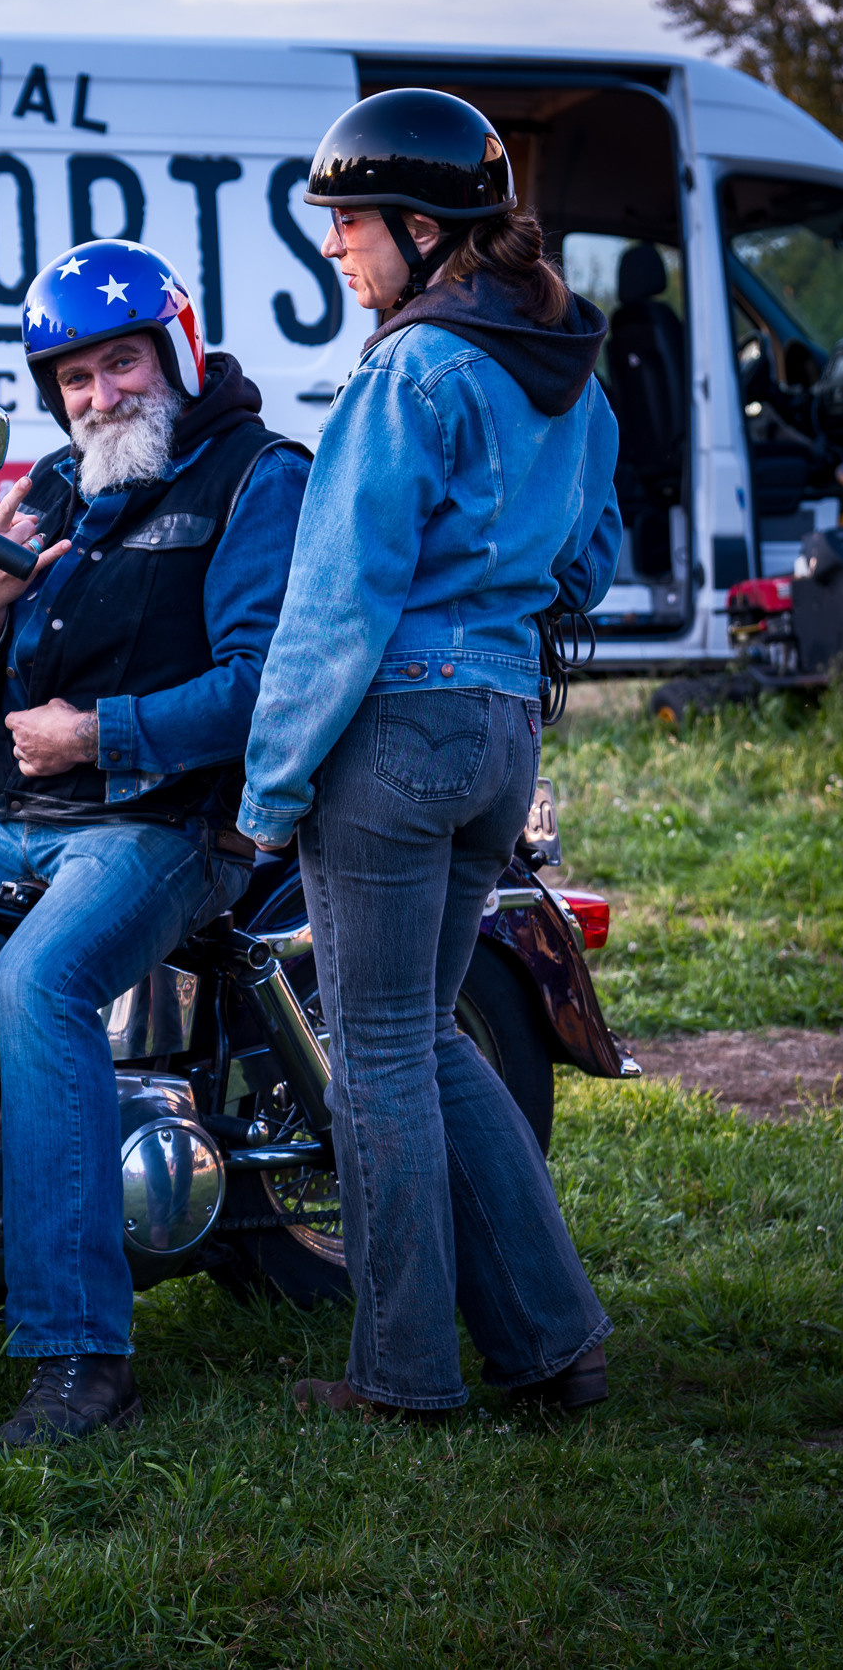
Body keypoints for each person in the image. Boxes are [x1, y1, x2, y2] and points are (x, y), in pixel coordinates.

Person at [237, 90, 622, 1420]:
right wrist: (495, 600)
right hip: (502, 731)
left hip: (396, 737)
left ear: (420, 225)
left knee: (378, 1054)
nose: (333, 247)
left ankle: (401, 1377)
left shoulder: (408, 372)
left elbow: (335, 602)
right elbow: (588, 564)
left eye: (347, 223)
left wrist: (266, 794)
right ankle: (554, 1340)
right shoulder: (562, 366)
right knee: (427, 1035)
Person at [0, 238, 310, 1448]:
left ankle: (81, 1353)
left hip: (168, 823)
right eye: (76, 377)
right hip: (14, 815)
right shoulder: (51, 485)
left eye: (122, 363)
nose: (101, 395)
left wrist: (98, 733)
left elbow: (265, 684)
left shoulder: (254, 478)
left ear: (177, 354)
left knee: (39, 981)